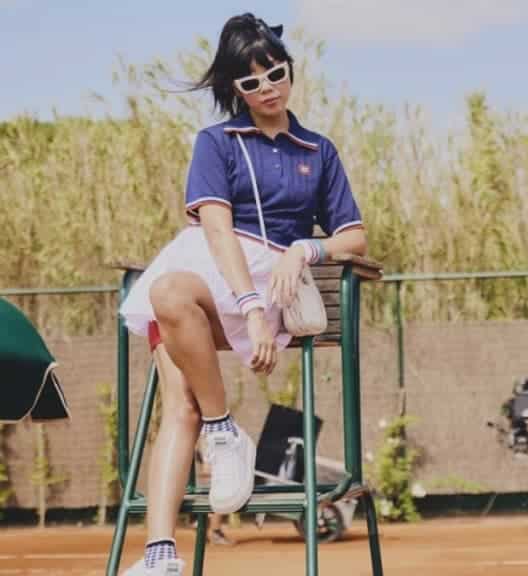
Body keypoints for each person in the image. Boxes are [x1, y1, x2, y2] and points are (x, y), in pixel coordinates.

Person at [118, 13, 366, 575]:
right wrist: (250, 308)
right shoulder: (216, 142)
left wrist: (305, 249)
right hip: (215, 273)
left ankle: (220, 432)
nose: (267, 88)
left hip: (273, 277)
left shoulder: (317, 149)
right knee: (168, 304)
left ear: (289, 69)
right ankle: (165, 547)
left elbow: (354, 236)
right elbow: (216, 229)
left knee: (176, 332)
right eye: (251, 81)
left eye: (275, 73)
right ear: (236, 88)